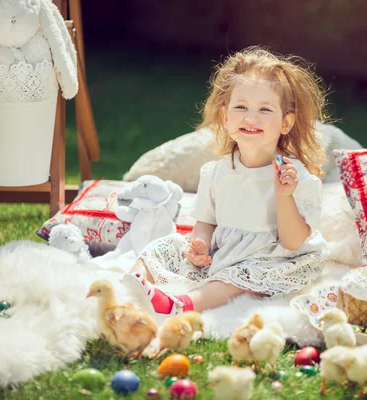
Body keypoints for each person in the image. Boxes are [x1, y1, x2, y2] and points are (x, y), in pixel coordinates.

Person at [123, 46, 329, 320]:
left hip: (273, 259)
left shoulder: (296, 178)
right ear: (225, 116)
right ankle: (129, 289)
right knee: (164, 246)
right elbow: (206, 220)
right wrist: (200, 243)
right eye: (240, 107)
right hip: (224, 251)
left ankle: (182, 304)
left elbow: (292, 242)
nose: (250, 117)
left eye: (265, 109)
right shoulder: (217, 171)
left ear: (286, 123)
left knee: (234, 280)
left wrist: (284, 196)